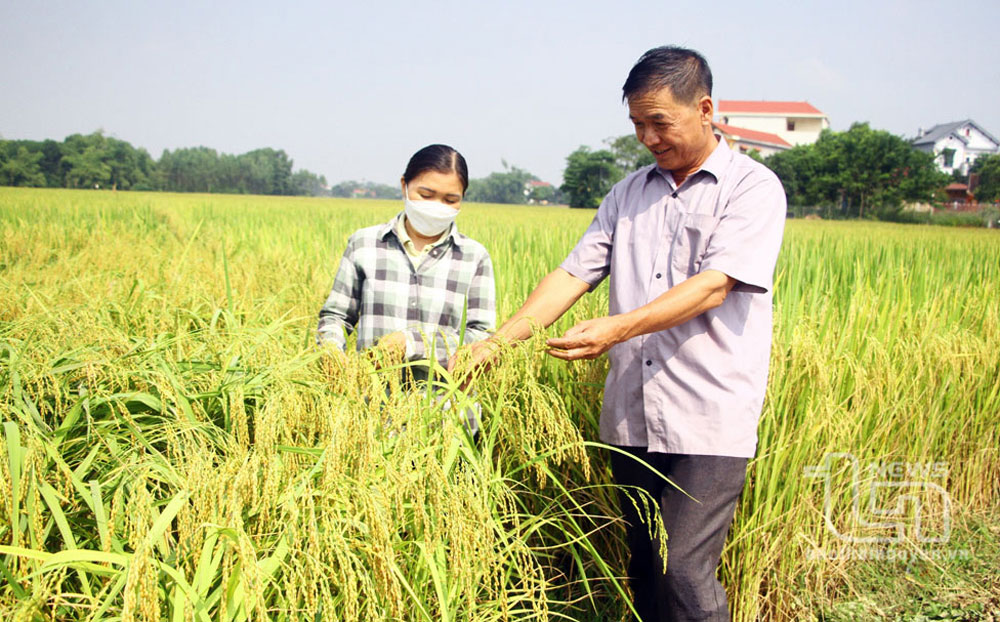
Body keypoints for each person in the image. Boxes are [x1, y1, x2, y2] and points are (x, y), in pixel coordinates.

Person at [450, 47, 786, 621]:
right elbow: (572, 275)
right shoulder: (628, 194)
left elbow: (715, 285)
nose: (648, 137)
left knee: (683, 567)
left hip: (709, 414)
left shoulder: (751, 188)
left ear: (705, 109)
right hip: (632, 413)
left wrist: (617, 328)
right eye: (637, 124)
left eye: (660, 122)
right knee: (646, 565)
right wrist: (496, 344)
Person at [317, 144, 496, 387]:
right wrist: (331, 351)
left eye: (450, 199)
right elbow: (336, 316)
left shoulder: (473, 257)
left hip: (444, 403)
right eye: (426, 195)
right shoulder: (364, 244)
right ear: (404, 186)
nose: (437, 206)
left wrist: (411, 344)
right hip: (372, 400)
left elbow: (481, 338)